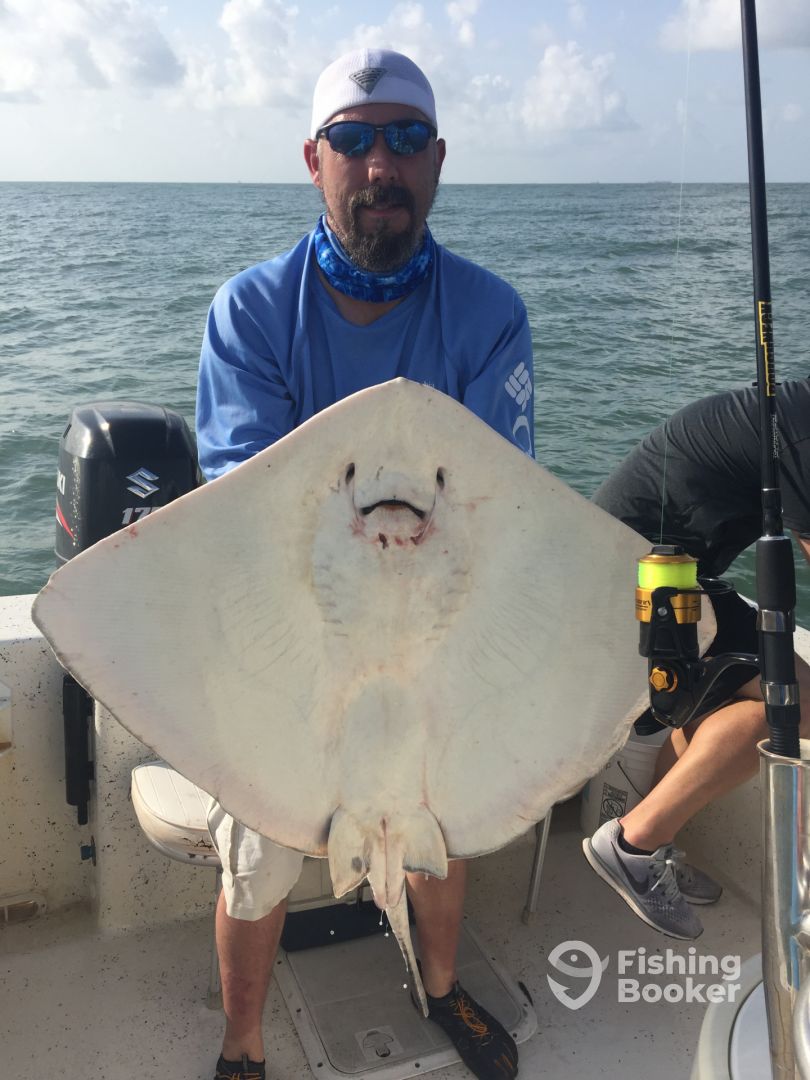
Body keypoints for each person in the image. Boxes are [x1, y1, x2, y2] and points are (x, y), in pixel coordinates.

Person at [196, 48, 534, 1080]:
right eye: (352, 139)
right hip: (290, 635)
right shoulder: (253, 311)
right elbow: (247, 510)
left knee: (442, 822)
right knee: (258, 852)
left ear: (437, 159)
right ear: (315, 159)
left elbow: (508, 506)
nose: (379, 163)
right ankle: (243, 1043)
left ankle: (442, 986)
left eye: (404, 139)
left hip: (435, 630)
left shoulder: (489, 314)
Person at [582, 378, 810, 940]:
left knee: (752, 711)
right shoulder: (803, 433)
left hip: (659, 574)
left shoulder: (792, 412)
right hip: (641, 580)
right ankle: (633, 845)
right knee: (800, 703)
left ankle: (652, 842)